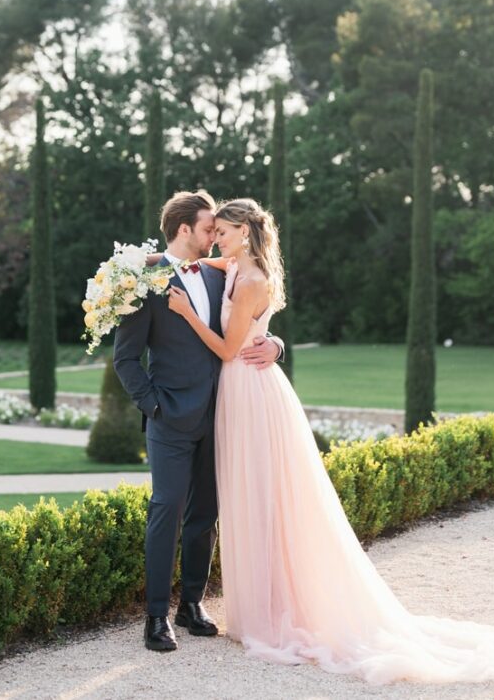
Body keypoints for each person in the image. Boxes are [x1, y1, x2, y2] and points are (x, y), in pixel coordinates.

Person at [166, 197, 494, 685]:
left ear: (243, 234)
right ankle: (258, 606)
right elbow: (190, 259)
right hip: (242, 390)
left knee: (262, 498)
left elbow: (230, 349)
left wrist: (187, 313)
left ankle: (272, 613)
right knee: (247, 497)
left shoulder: (250, 280)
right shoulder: (232, 263)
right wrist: (146, 261)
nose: (216, 240)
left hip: (249, 391)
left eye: (223, 232)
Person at [113, 189, 283, 653]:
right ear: (185, 229)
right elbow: (126, 359)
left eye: (218, 229)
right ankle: (155, 616)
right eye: (209, 227)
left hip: (225, 412)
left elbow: (249, 318)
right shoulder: (143, 281)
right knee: (166, 510)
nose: (215, 235)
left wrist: (277, 345)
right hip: (169, 417)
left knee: (205, 515)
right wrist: (154, 406)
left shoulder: (220, 271)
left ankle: (192, 604)